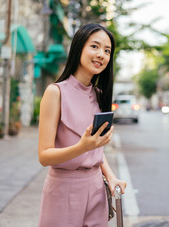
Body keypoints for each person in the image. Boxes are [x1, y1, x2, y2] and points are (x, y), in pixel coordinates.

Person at [37, 23, 127, 227]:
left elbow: (95, 148)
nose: (101, 55)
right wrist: (81, 147)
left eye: (107, 51)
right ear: (78, 48)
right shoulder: (55, 92)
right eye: (94, 46)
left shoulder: (99, 96)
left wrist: (111, 178)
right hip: (63, 190)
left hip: (96, 190)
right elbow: (44, 156)